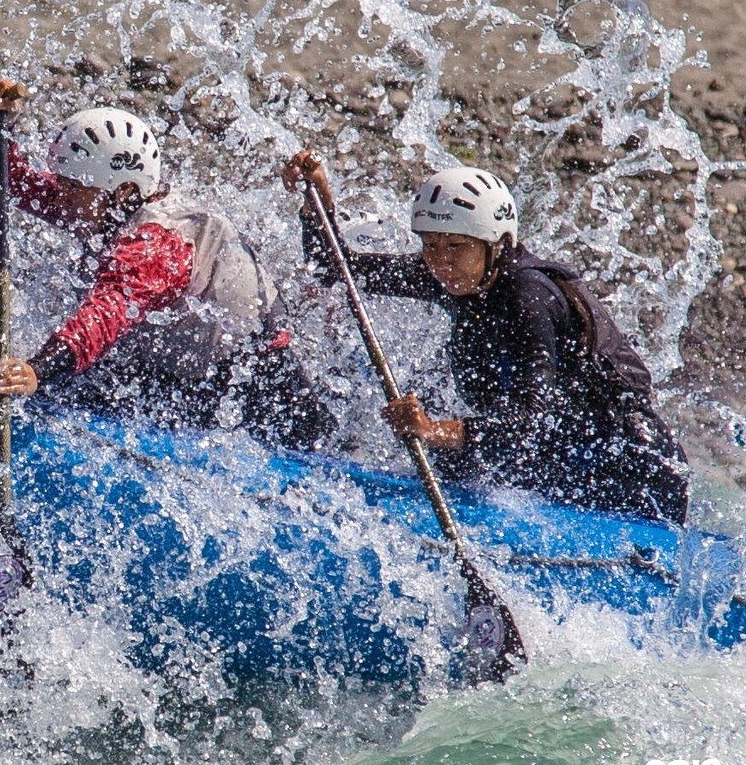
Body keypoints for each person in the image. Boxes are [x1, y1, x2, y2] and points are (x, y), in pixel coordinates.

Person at [281, 150, 689, 523]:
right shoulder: (454, 274)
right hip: (551, 453)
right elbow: (335, 269)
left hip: (627, 469)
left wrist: (431, 429)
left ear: (497, 244)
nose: (440, 262)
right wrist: (318, 198)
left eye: (456, 246)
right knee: (459, 458)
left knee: (455, 446)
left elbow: (533, 420)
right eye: (430, 245)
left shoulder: (530, 296)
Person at [0, 78, 335, 451]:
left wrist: (37, 370)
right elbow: (6, 181)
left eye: (69, 188)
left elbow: (105, 314)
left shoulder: (159, 244)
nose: (58, 197)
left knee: (323, 448)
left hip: (260, 390)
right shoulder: (99, 202)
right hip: (177, 371)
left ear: (124, 191)